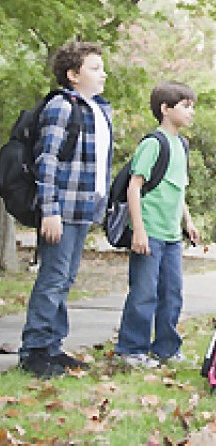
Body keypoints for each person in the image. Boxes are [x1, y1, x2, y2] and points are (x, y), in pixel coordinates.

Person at [19, 41, 113, 378]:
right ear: (73, 75)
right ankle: (34, 351)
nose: (103, 74)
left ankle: (52, 347)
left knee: (65, 278)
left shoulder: (98, 109)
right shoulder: (62, 105)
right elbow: (48, 159)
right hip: (62, 208)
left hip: (84, 209)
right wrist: (50, 209)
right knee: (53, 277)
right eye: (94, 68)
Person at [115, 81, 200, 369]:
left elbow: (177, 188)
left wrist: (188, 221)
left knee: (171, 292)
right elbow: (134, 187)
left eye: (192, 107)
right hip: (149, 231)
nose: (191, 113)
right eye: (186, 106)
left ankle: (166, 348)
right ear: (165, 109)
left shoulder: (182, 145)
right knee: (144, 292)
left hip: (172, 235)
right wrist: (138, 229)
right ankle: (131, 349)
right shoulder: (154, 143)